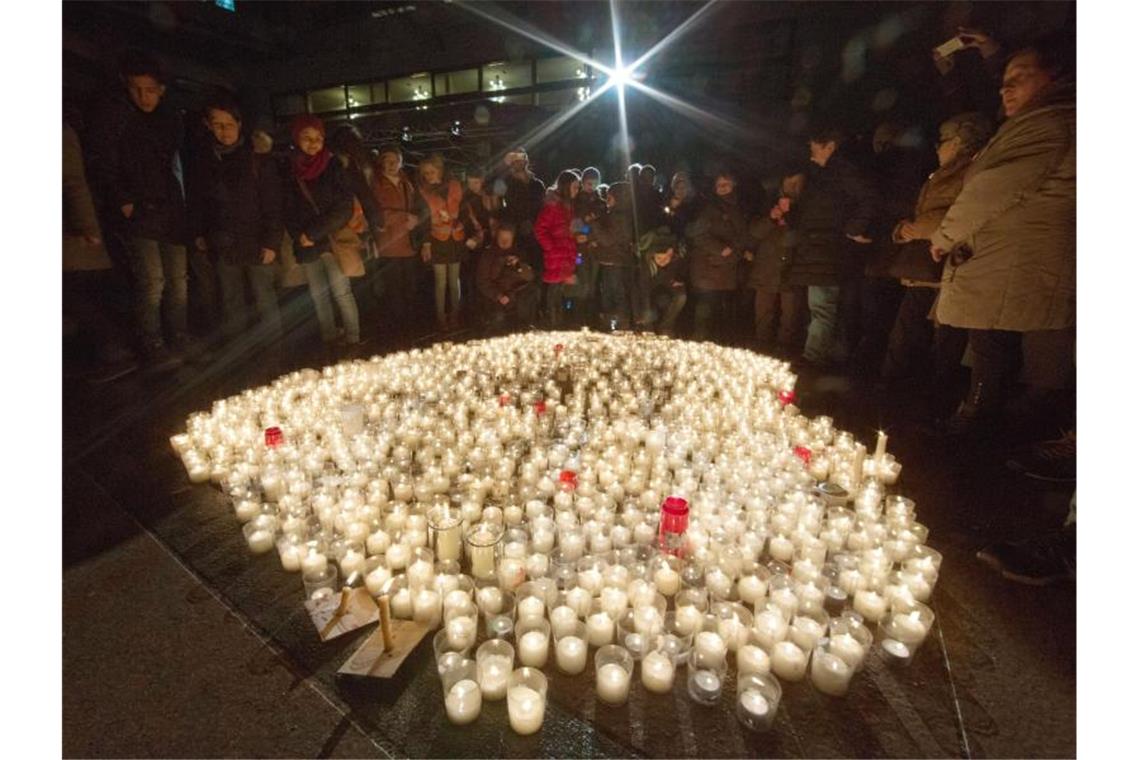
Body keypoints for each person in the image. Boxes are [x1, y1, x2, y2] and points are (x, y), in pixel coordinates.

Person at [929, 39, 1075, 436]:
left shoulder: (1046, 123)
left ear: (1054, 77)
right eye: (1004, 81)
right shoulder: (1035, 120)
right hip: (1008, 255)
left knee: (994, 343)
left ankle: (980, 425)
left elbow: (990, 189)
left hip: (1014, 256)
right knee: (993, 342)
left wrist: (943, 235)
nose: (1006, 88)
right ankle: (982, 420)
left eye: (1020, 79)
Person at [85, 50, 204, 369]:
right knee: (152, 281)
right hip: (139, 213)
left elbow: (180, 162)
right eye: (136, 88)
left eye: (150, 89)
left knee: (178, 279)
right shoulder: (114, 116)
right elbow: (104, 163)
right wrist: (124, 201)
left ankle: (179, 334)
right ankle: (152, 341)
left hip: (171, 211)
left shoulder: (169, 118)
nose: (143, 96)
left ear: (161, 89)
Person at [878, 113, 994, 388]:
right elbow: (924, 212)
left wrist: (918, 228)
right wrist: (904, 229)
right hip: (925, 263)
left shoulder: (972, 171)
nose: (937, 147)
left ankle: (932, 391)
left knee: (946, 334)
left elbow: (960, 212)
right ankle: (893, 382)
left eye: (943, 141)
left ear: (959, 142)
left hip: (952, 263)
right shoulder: (940, 174)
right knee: (907, 327)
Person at [185, 96, 284, 350]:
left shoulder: (257, 158)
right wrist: (199, 233)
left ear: (239, 124)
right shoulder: (203, 160)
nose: (224, 130)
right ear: (208, 125)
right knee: (231, 300)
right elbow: (198, 200)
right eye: (217, 124)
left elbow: (272, 203)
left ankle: (275, 351)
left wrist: (272, 242)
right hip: (222, 242)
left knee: (263, 297)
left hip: (255, 240)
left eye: (229, 124)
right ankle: (240, 354)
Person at [783, 127, 877, 367]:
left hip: (828, 250)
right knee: (821, 306)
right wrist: (791, 211)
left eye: (814, 145)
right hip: (817, 250)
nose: (810, 151)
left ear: (830, 146)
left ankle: (815, 358)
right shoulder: (823, 175)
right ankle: (823, 355)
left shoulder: (844, 171)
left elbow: (868, 199)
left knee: (824, 306)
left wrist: (853, 229)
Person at [63, 120, 141, 381]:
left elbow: (74, 182)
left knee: (73, 295)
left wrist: (87, 226)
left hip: (72, 235)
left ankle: (115, 351)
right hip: (74, 234)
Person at [283, 114, 364, 351]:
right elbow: (286, 207)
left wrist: (313, 233)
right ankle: (329, 338)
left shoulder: (333, 165)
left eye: (317, 138)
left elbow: (344, 207)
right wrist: (300, 235)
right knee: (319, 295)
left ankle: (353, 339)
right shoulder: (289, 169)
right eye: (306, 137)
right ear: (296, 138)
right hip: (306, 244)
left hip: (331, 239)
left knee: (341, 292)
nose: (312, 143)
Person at [686, 170, 751, 342]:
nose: (722, 188)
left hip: (728, 267)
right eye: (719, 185)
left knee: (723, 308)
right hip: (709, 267)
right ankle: (700, 340)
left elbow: (742, 235)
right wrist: (720, 248)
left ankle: (720, 341)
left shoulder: (739, 208)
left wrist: (740, 251)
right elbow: (698, 235)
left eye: (726, 184)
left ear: (733, 185)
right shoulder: (709, 208)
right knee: (706, 306)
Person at [747, 173, 806, 356]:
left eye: (796, 183)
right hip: (766, 267)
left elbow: (798, 238)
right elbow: (754, 232)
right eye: (789, 182)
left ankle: (784, 350)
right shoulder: (766, 204)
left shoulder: (805, 208)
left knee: (790, 315)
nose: (792, 187)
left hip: (791, 270)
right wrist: (771, 218)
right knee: (763, 312)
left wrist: (789, 217)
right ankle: (761, 346)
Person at [371, 144, 422, 332]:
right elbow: (376, 213)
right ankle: (398, 330)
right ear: (382, 163)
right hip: (389, 245)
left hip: (407, 244)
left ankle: (410, 327)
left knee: (409, 288)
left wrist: (416, 219)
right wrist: (404, 218)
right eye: (387, 160)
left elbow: (417, 208)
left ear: (401, 163)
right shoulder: (376, 184)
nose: (392, 164)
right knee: (394, 291)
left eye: (395, 160)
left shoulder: (407, 183)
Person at [417, 154, 466, 329]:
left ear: (439, 169)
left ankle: (456, 316)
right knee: (440, 282)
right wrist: (426, 243)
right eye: (426, 173)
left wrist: (461, 224)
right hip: (437, 239)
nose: (429, 176)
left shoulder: (455, 185)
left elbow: (464, 209)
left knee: (454, 281)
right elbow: (423, 220)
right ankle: (441, 319)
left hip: (455, 238)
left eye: (432, 171)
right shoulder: (423, 191)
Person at [534, 170, 581, 328]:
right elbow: (540, 229)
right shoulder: (553, 206)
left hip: (566, 255)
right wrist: (551, 248)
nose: (577, 190)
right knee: (554, 290)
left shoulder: (568, 206)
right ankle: (553, 322)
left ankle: (560, 322)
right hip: (556, 256)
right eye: (574, 186)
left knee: (561, 290)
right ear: (567, 186)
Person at [590, 181, 636, 330]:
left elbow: (607, 239)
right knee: (610, 293)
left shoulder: (619, 217)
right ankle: (613, 323)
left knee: (614, 294)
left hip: (615, 261)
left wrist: (594, 224)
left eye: (609, 197)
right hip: (611, 260)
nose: (607, 200)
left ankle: (619, 324)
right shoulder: (615, 215)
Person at [476, 223, 538, 332]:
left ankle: (526, 327)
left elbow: (529, 277)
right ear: (497, 237)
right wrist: (498, 295)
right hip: (497, 295)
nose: (504, 242)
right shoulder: (489, 255)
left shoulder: (519, 252)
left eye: (507, 239)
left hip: (516, 294)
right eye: (502, 238)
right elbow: (482, 281)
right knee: (498, 318)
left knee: (531, 293)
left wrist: (519, 265)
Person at [496, 148, 546, 272]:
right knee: (517, 271)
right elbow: (494, 190)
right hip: (515, 235)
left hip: (535, 235)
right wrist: (503, 166)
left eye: (520, 157)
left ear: (526, 159)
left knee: (536, 269)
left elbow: (543, 209)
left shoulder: (537, 184)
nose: (518, 161)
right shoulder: (506, 182)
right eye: (514, 158)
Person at [635, 227, 688, 336]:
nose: (662, 262)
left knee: (681, 296)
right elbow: (642, 290)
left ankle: (665, 327)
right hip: (646, 296)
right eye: (659, 258)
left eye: (666, 258)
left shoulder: (676, 263)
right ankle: (646, 326)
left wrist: (678, 282)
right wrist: (645, 317)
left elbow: (679, 278)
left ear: (671, 253)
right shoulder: (646, 267)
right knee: (649, 312)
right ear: (652, 255)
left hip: (664, 295)